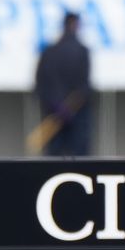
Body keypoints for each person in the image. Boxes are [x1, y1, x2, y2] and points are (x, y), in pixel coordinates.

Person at [33, 10, 93, 156]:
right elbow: (84, 86)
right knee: (80, 161)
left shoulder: (49, 51)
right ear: (75, 25)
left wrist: (58, 105)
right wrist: (65, 108)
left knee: (53, 161)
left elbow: (40, 85)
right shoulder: (81, 51)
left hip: (55, 111)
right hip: (72, 114)